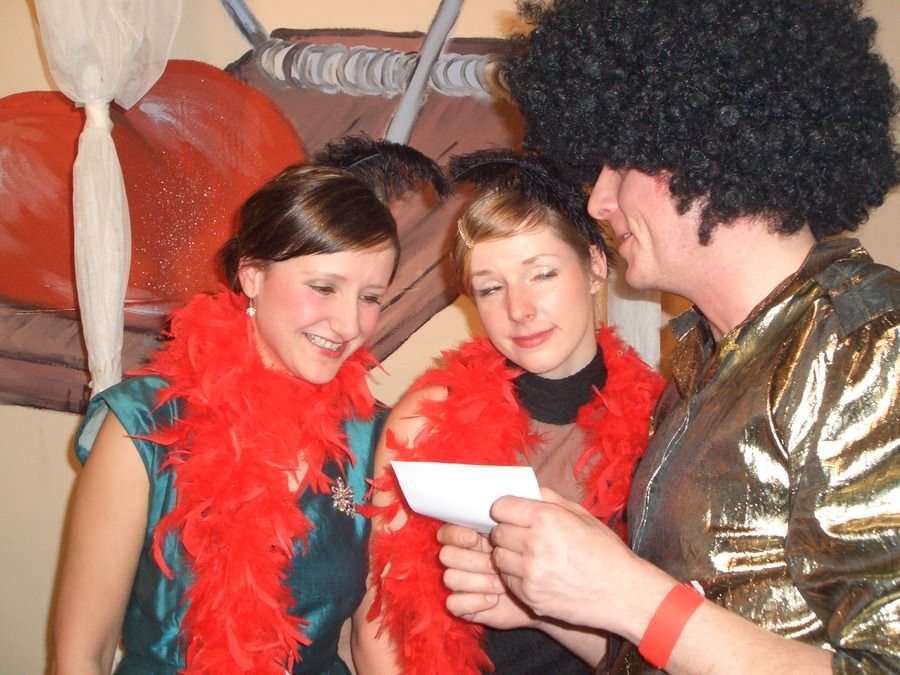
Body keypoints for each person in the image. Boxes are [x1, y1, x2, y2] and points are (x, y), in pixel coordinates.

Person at [438, 0, 900, 673]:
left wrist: (629, 594)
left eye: (621, 164)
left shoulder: (869, 349)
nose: (598, 201)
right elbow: (668, 648)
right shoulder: (703, 362)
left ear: (711, 152)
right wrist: (553, 604)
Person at [51, 135, 448, 675]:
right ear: (252, 275)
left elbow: (377, 641)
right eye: (324, 287)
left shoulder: (373, 441)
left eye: (370, 297)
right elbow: (82, 655)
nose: (348, 324)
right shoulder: (143, 427)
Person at [352, 149, 665, 674]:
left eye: (541, 274)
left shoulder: (666, 421)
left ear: (594, 266)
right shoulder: (424, 422)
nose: (519, 310)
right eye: (491, 288)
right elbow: (380, 625)